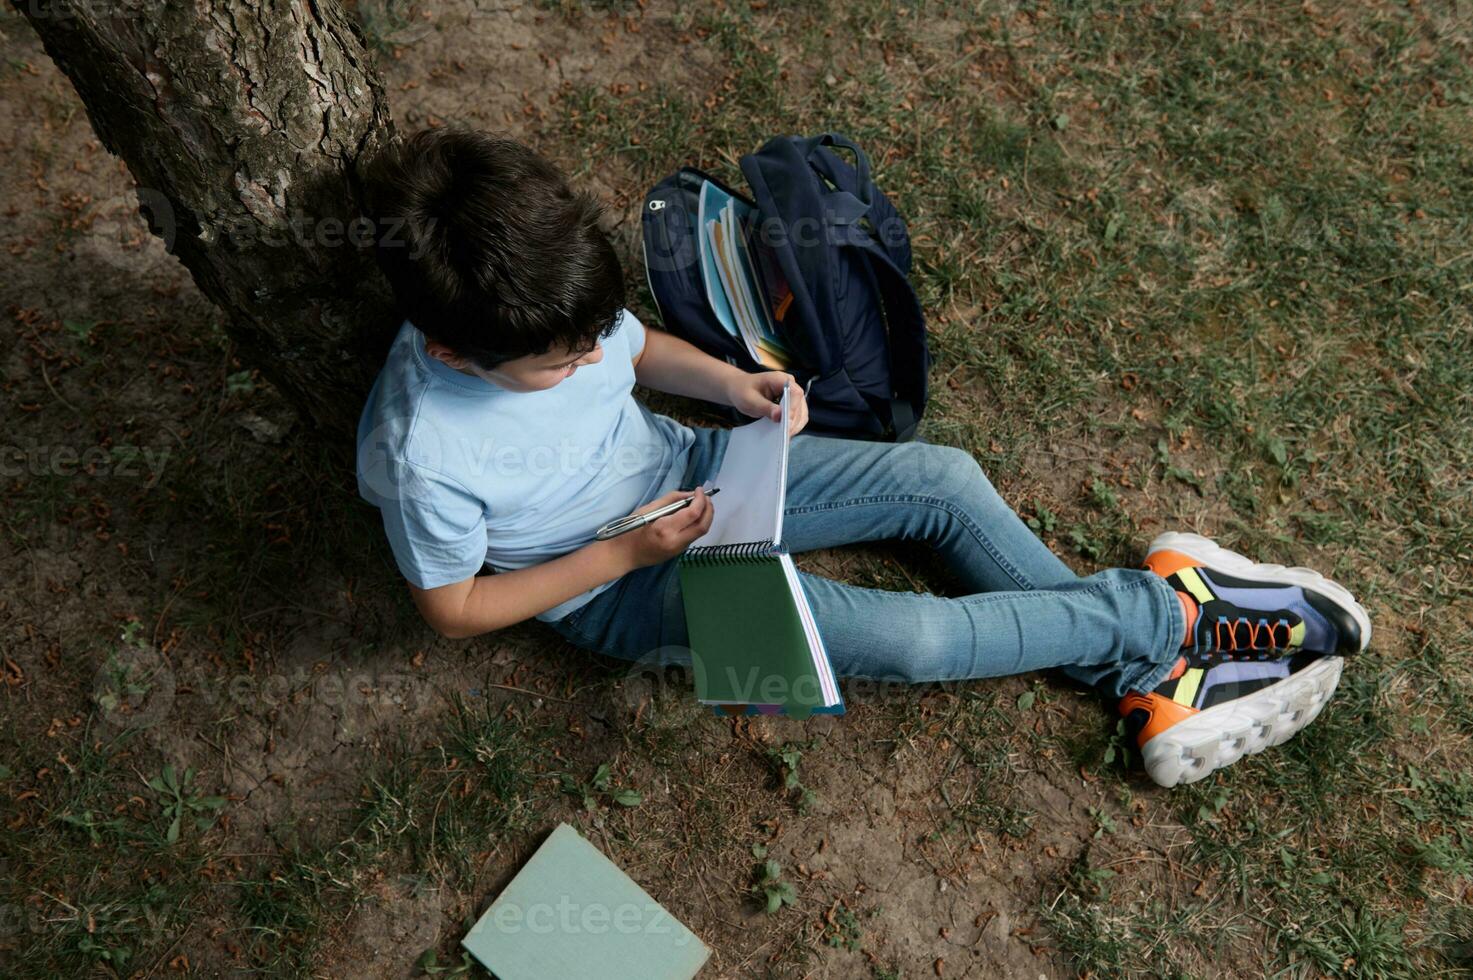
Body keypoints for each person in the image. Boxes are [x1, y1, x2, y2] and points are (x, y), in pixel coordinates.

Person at [355, 128, 1370, 788]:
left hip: (696, 465)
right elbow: (454, 611)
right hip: (616, 584)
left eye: (590, 338)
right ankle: (1178, 618)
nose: (588, 359)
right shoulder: (426, 450)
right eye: (558, 361)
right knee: (919, 642)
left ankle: (1149, 670)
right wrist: (626, 557)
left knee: (941, 480)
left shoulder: (553, 302)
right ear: (451, 353)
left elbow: (632, 349)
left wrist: (730, 384)